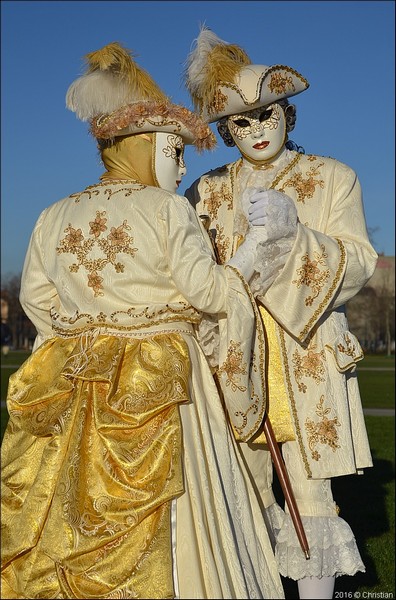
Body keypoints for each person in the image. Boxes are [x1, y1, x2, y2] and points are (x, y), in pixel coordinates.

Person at [0, 42, 285, 599]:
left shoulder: (52, 214)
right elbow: (207, 292)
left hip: (76, 378)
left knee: (69, 502)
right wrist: (255, 254)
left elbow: (37, 300)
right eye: (175, 153)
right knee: (184, 512)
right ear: (144, 146)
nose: (180, 170)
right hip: (161, 382)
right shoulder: (168, 209)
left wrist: (85, 331)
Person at [183, 26, 378, 600]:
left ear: (288, 115)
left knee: (310, 497)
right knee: (239, 491)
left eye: (268, 115)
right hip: (231, 358)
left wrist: (297, 237)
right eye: (242, 122)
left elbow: (360, 263)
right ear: (225, 130)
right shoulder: (206, 191)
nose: (258, 130)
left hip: (306, 356)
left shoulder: (332, 178)